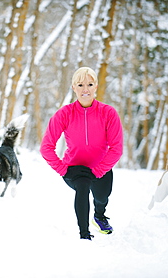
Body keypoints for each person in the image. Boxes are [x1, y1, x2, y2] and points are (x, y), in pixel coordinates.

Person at [40, 67, 123, 240]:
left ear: (96, 87)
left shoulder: (108, 113)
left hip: (101, 168)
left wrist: (99, 171)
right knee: (83, 188)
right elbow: (46, 147)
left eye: (90, 84)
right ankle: (84, 235)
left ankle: (99, 216)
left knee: (102, 198)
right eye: (80, 85)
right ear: (73, 87)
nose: (85, 89)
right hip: (74, 169)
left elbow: (116, 148)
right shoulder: (64, 114)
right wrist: (63, 169)